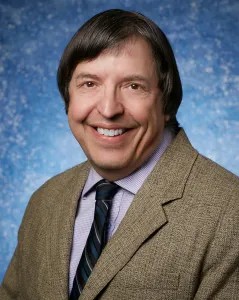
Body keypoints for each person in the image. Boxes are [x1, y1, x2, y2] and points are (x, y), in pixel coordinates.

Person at [1, 8, 238, 300]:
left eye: (133, 86)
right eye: (89, 84)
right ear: (68, 97)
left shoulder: (230, 210)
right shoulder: (45, 201)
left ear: (165, 102)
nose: (109, 109)